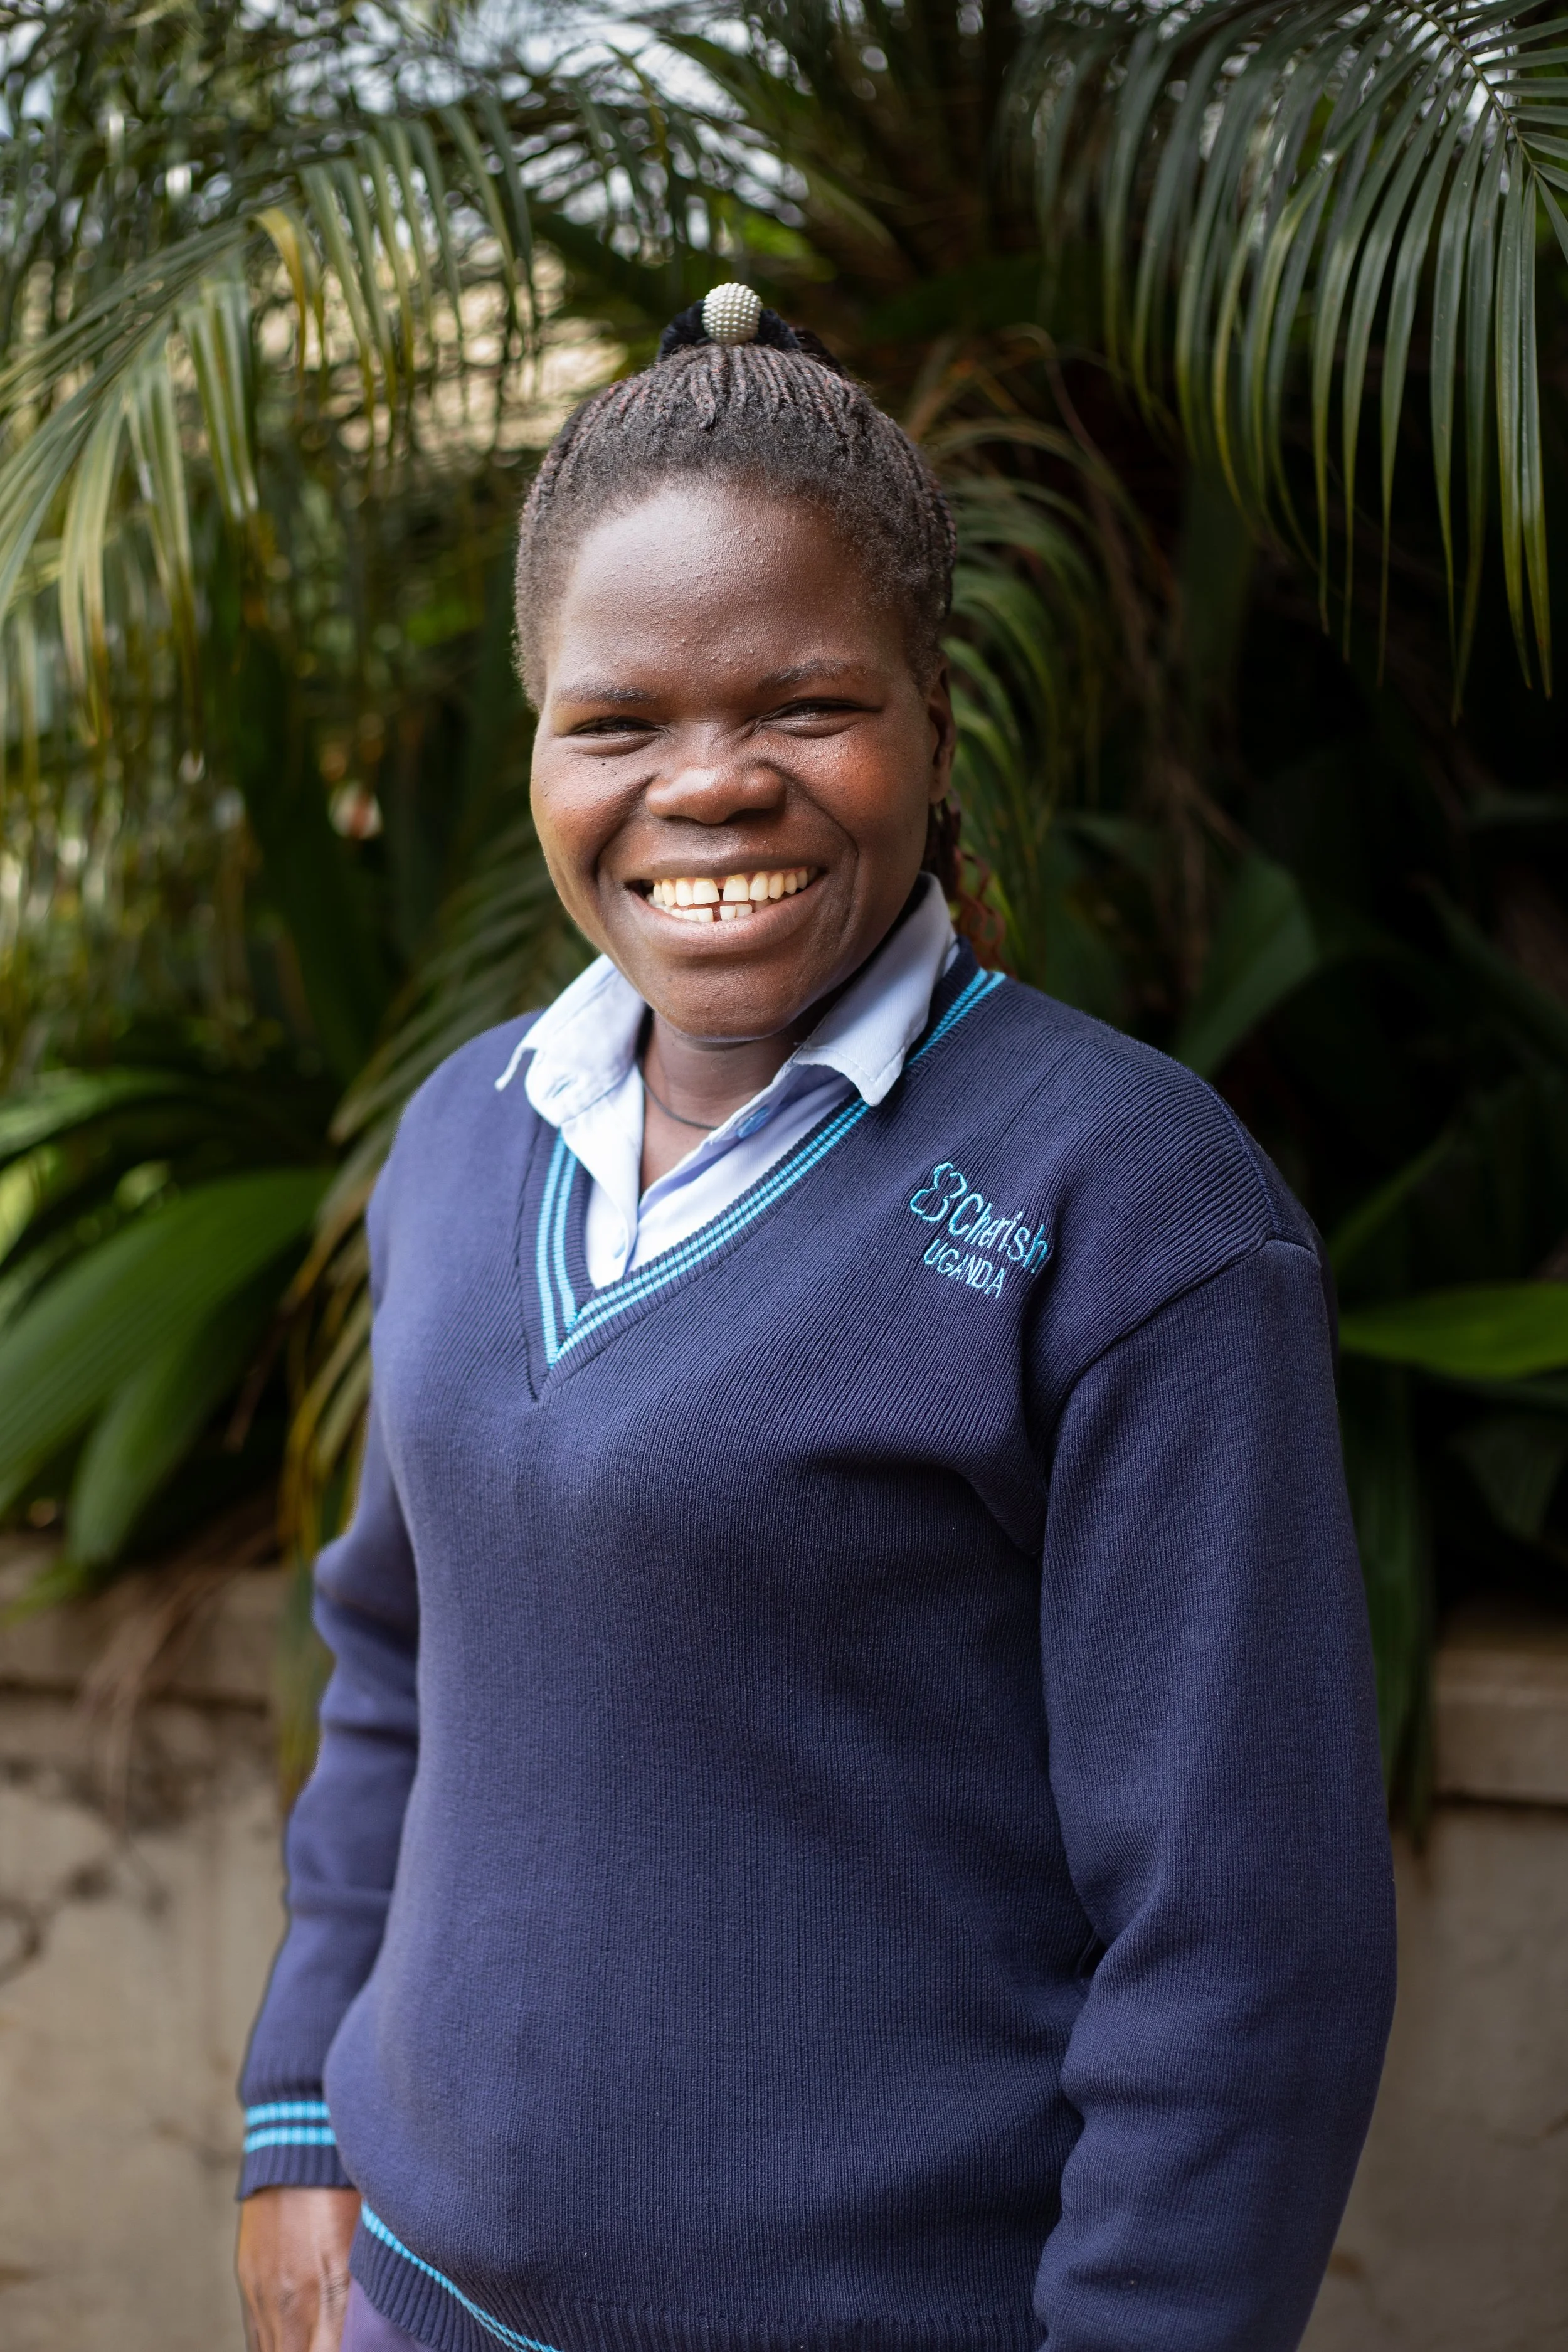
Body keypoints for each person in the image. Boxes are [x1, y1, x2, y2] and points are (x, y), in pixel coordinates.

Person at [235, 285, 1395, 2352]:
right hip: (402, 2306)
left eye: (800, 703)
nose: (709, 785)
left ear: (932, 715)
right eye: (618, 720)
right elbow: (396, 1657)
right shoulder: (458, 1133)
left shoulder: (1126, 1208)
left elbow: (1242, 1948)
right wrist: (301, 2114)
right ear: (536, 743)